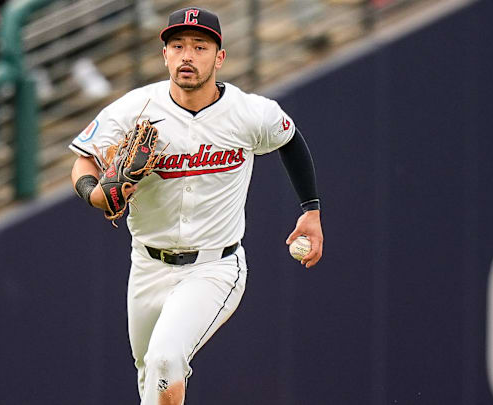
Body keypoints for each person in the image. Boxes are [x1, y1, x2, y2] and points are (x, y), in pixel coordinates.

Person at [68, 7, 324, 405]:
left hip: (214, 267)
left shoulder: (248, 112)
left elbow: (290, 139)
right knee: (149, 375)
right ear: (165, 55)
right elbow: (83, 159)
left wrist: (311, 209)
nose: (188, 55)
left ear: (219, 58)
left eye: (199, 47)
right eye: (178, 46)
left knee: (166, 359)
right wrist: (93, 193)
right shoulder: (134, 109)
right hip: (147, 266)